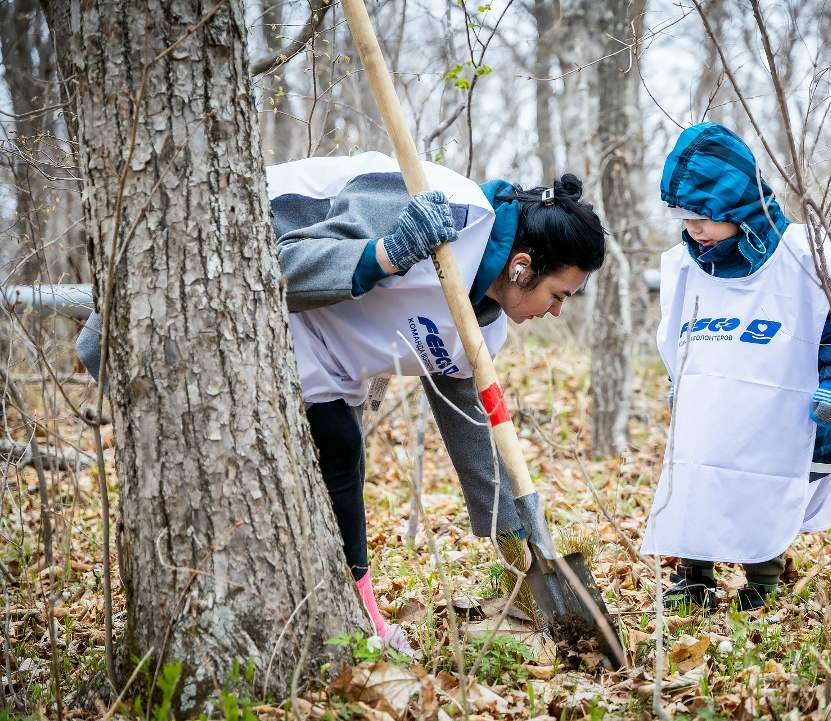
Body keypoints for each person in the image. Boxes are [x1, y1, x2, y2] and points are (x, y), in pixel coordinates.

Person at [77, 152, 606, 654]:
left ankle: (356, 619)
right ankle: (351, 622)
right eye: (558, 294)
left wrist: (518, 545)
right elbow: (274, 265)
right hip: (229, 248)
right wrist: (386, 253)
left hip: (323, 340)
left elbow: (475, 439)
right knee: (328, 442)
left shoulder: (484, 332)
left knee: (339, 458)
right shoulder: (443, 208)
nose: (557, 311)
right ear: (521, 266)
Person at [640, 122, 831, 613]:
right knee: (696, 479)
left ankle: (763, 580)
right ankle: (694, 577)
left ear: (737, 208)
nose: (693, 229)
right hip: (709, 408)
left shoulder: (808, 257)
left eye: (703, 217)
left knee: (763, 483)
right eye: (684, 217)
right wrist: (680, 380)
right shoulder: (687, 264)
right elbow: (678, 330)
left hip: (779, 406)